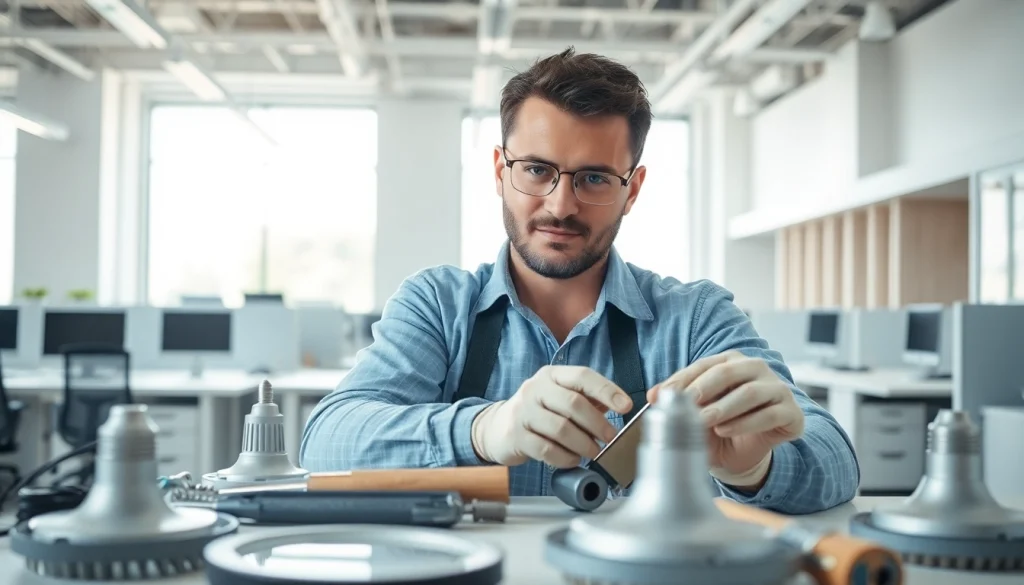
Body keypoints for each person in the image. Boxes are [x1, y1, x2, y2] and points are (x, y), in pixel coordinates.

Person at [300, 47, 860, 514]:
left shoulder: (696, 319)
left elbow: (835, 456)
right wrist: (485, 429)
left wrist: (754, 466)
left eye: (593, 177)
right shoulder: (437, 305)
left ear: (632, 190)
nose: (560, 205)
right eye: (537, 170)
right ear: (501, 172)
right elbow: (327, 442)